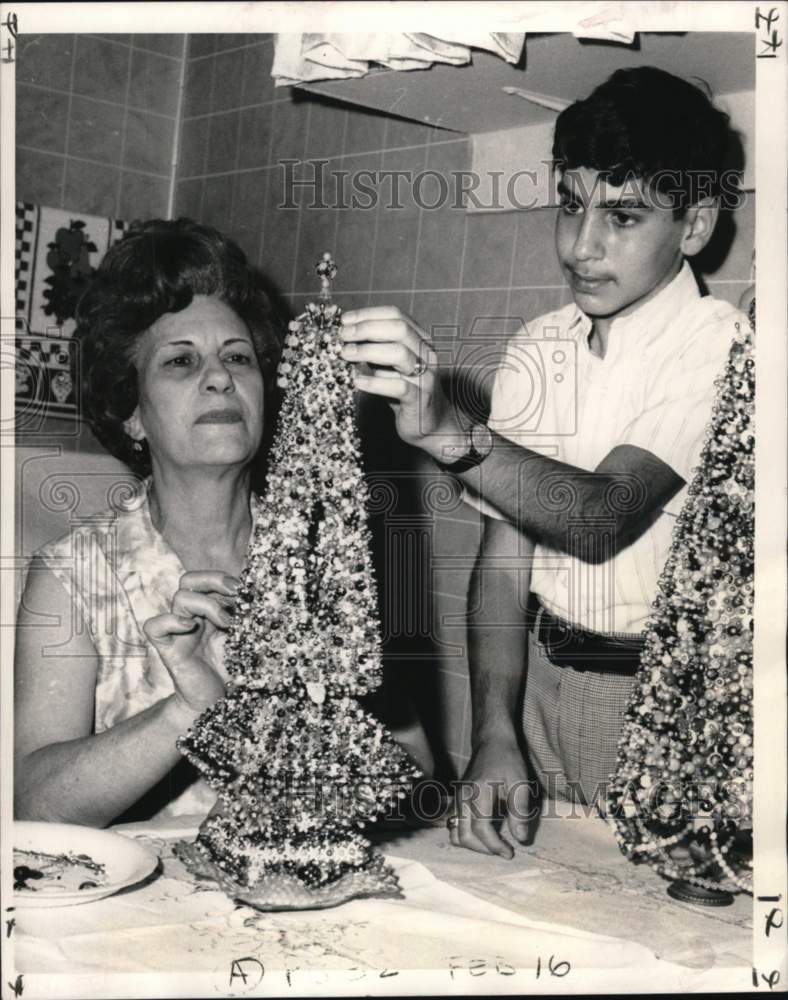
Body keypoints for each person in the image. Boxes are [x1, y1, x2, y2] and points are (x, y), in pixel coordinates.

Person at [337, 67, 749, 856]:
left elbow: (597, 517)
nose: (579, 245)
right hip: (537, 690)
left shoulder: (719, 344)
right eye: (570, 204)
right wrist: (494, 731)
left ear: (694, 224)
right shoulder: (538, 345)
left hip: (656, 708)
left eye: (622, 216)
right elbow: (502, 565)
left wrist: (449, 433)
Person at [14, 219, 281, 827]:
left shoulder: (321, 555)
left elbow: (414, 767)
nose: (220, 377)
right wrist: (185, 711)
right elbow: (31, 806)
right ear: (131, 414)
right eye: (181, 361)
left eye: (238, 357)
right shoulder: (72, 575)